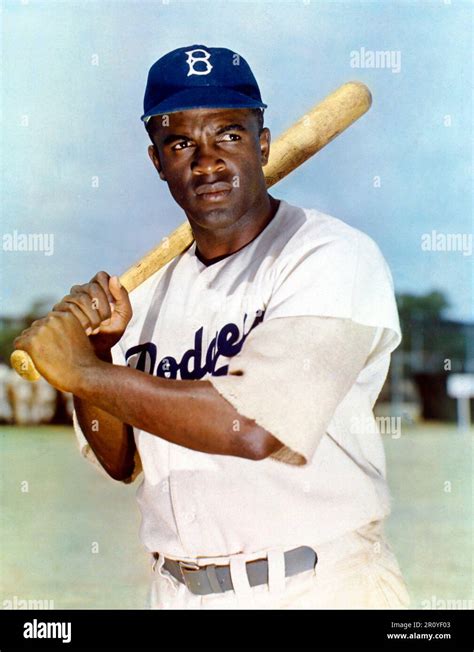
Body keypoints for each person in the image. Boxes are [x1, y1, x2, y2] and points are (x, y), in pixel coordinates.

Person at [14, 44, 410, 610]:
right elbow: (120, 461)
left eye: (228, 134)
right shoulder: (142, 296)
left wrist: (79, 371)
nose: (207, 162)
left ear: (264, 143)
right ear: (157, 161)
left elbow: (252, 426)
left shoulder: (330, 257)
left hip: (317, 586)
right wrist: (99, 355)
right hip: (176, 590)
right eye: (181, 143)